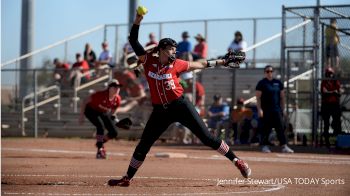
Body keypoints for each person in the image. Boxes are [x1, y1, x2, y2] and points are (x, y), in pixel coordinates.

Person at [107, 12, 250, 187]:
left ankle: (237, 161)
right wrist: (137, 21)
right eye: (171, 49)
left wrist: (222, 61)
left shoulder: (177, 64)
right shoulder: (148, 61)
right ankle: (127, 178)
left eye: (175, 49)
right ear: (161, 50)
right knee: (144, 144)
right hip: (160, 111)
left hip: (180, 106)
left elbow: (201, 64)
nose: (174, 52)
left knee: (207, 138)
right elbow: (133, 40)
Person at [79, 79, 137, 159]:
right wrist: (81, 116)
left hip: (102, 112)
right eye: (114, 87)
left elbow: (112, 113)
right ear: (109, 88)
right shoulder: (100, 95)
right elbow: (85, 101)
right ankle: (100, 149)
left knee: (114, 132)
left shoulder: (117, 99)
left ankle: (100, 142)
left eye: (118, 87)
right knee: (100, 127)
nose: (117, 89)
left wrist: (117, 121)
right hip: (90, 110)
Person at [256, 65, 294, 153]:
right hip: (266, 110)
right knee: (266, 128)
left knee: (280, 127)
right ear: (265, 72)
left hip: (277, 109)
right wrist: (259, 109)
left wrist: (283, 109)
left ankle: (284, 146)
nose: (269, 73)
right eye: (267, 71)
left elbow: (282, 97)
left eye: (271, 71)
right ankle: (265, 146)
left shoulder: (278, 83)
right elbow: (258, 98)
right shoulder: (262, 83)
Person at [321, 67, 342, 148]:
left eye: (331, 74)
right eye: (328, 74)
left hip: (334, 104)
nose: (329, 75)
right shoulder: (324, 82)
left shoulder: (335, 82)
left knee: (337, 122)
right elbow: (324, 92)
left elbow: (339, 93)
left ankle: (337, 140)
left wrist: (332, 92)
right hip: (326, 104)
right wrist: (333, 92)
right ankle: (327, 141)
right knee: (326, 123)